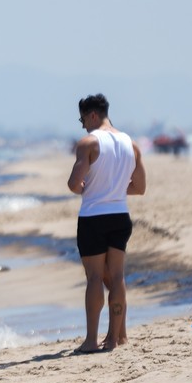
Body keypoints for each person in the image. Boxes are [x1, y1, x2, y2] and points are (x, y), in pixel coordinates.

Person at [66, 94, 147, 353]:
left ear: (91, 115)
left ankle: (91, 340)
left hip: (93, 217)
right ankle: (116, 338)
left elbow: (73, 184)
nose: (82, 125)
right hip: (120, 216)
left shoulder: (88, 143)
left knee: (94, 278)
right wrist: (114, 190)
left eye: (82, 119)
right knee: (117, 276)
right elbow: (140, 187)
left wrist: (91, 188)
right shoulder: (131, 144)